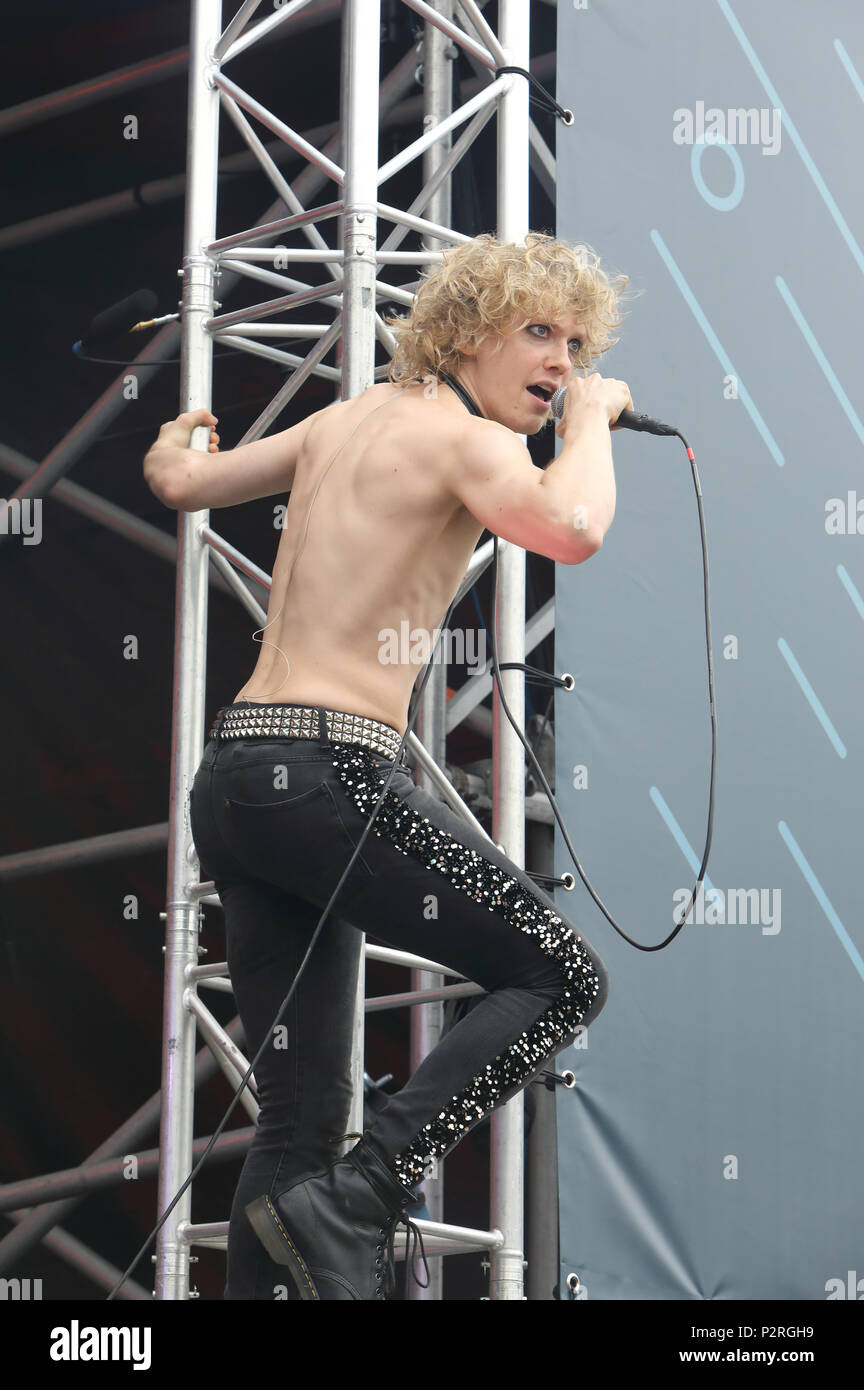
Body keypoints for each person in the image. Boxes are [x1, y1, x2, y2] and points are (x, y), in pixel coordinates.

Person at [143, 232, 632, 1301]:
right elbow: (575, 525)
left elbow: (186, 481)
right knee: (562, 977)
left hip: (238, 782)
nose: (565, 364)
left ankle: (321, 1215)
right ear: (462, 331)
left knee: (302, 1112)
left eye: (580, 344)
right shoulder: (470, 444)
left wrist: (174, 445)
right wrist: (591, 427)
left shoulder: (344, 419)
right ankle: (362, 1197)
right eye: (540, 332)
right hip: (330, 774)